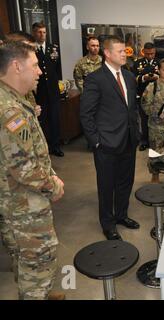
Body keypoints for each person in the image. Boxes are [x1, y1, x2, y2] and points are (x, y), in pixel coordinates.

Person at [0, 41, 65, 299]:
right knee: (35, 267)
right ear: (16, 66)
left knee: (30, 265)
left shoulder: (15, 99)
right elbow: (23, 167)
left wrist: (49, 174)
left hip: (25, 202)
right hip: (23, 208)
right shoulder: (9, 110)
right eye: (35, 65)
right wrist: (53, 185)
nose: (39, 71)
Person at [80, 36, 140, 241]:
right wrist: (96, 141)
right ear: (107, 53)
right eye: (120, 51)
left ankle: (121, 215)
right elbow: (86, 114)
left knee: (126, 182)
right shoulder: (95, 78)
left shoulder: (130, 77)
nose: (125, 54)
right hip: (106, 143)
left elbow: (132, 109)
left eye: (125, 51)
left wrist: (136, 133)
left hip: (128, 140)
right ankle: (108, 224)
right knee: (107, 186)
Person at [32, 22, 64, 157]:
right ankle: (44, 147)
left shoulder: (53, 48)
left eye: (44, 32)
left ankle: (56, 146)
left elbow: (57, 70)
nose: (42, 35)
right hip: (39, 91)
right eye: (39, 32)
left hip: (53, 90)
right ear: (34, 33)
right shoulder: (31, 50)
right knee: (42, 120)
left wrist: (60, 86)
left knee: (55, 119)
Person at [132, 42, 159, 151]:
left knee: (157, 119)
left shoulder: (159, 62)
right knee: (144, 120)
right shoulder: (137, 63)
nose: (150, 56)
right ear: (144, 52)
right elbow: (133, 78)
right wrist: (144, 78)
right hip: (142, 95)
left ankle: (156, 141)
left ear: (155, 52)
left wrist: (157, 77)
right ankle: (144, 141)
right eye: (147, 54)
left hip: (157, 95)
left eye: (152, 54)